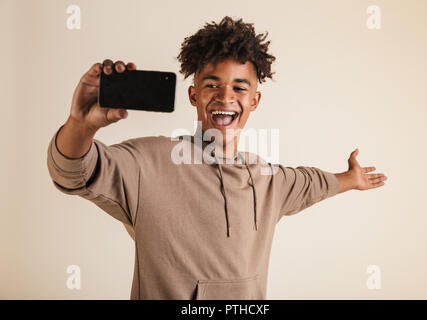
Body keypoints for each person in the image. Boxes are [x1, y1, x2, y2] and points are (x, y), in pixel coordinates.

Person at [46, 16, 387, 300]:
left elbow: (313, 183)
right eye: (212, 85)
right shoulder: (147, 164)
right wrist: (79, 124)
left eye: (240, 87)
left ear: (254, 101)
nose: (226, 96)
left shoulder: (268, 178)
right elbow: (73, 172)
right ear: (194, 95)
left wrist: (351, 180)